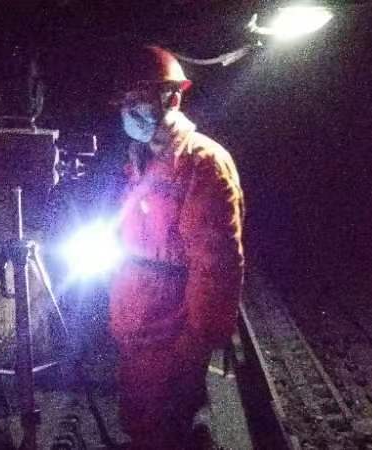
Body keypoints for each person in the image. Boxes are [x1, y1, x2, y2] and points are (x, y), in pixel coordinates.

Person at [108, 46, 245, 449]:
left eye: (138, 99)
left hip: (172, 332)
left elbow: (217, 266)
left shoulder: (204, 163)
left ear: (171, 97)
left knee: (166, 431)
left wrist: (196, 343)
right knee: (138, 423)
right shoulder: (140, 162)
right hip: (137, 326)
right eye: (125, 102)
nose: (128, 110)